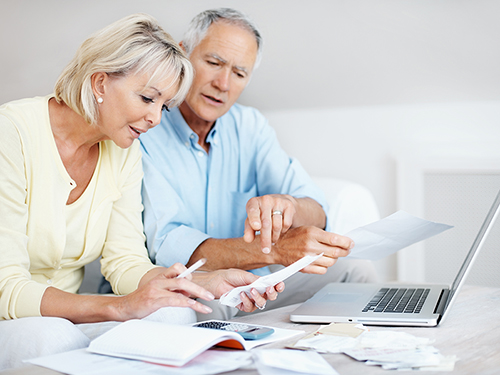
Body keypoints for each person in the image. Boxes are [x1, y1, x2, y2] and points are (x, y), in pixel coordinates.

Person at [0, 13, 283, 370]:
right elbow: (5, 287)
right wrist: (116, 308)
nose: (156, 119)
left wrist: (202, 282)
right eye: (147, 98)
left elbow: (125, 261)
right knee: (52, 337)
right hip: (15, 318)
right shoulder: (10, 133)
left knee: (172, 315)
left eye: (163, 106)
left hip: (68, 315)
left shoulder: (122, 150)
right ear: (100, 83)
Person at [140, 8, 377, 320]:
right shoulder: (145, 126)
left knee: (356, 269)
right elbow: (167, 246)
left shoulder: (249, 125)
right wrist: (276, 251)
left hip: (250, 286)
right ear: (183, 54)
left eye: (239, 73)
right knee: (200, 307)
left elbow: (318, 208)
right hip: (184, 285)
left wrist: (290, 204)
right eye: (213, 63)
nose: (223, 84)